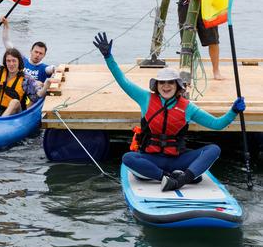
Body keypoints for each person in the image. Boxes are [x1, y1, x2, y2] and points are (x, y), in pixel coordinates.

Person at [92, 32, 245, 191]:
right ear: (156, 86)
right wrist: (108, 57)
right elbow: (122, 80)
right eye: (162, 83)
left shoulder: (188, 107)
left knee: (213, 149)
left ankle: (181, 180)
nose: (166, 86)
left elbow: (217, 124)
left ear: (177, 86)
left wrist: (233, 110)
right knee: (128, 158)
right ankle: (166, 177)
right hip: (152, 159)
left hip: (178, 159)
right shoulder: (145, 98)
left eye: (170, 83)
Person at [0, 17, 50, 117]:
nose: (11, 64)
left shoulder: (26, 79)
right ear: (5, 61)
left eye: (14, 61)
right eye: (8, 61)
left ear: (19, 62)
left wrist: (46, 85)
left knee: (15, 102)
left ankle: (2, 123)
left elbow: (37, 96)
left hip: (14, 116)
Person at [1, 17, 55, 86]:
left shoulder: (45, 68)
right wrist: (6, 26)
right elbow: (7, 43)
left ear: (44, 55)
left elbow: (53, 68)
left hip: (34, 94)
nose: (37, 55)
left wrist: (54, 70)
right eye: (36, 52)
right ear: (31, 51)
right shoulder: (22, 60)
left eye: (40, 53)